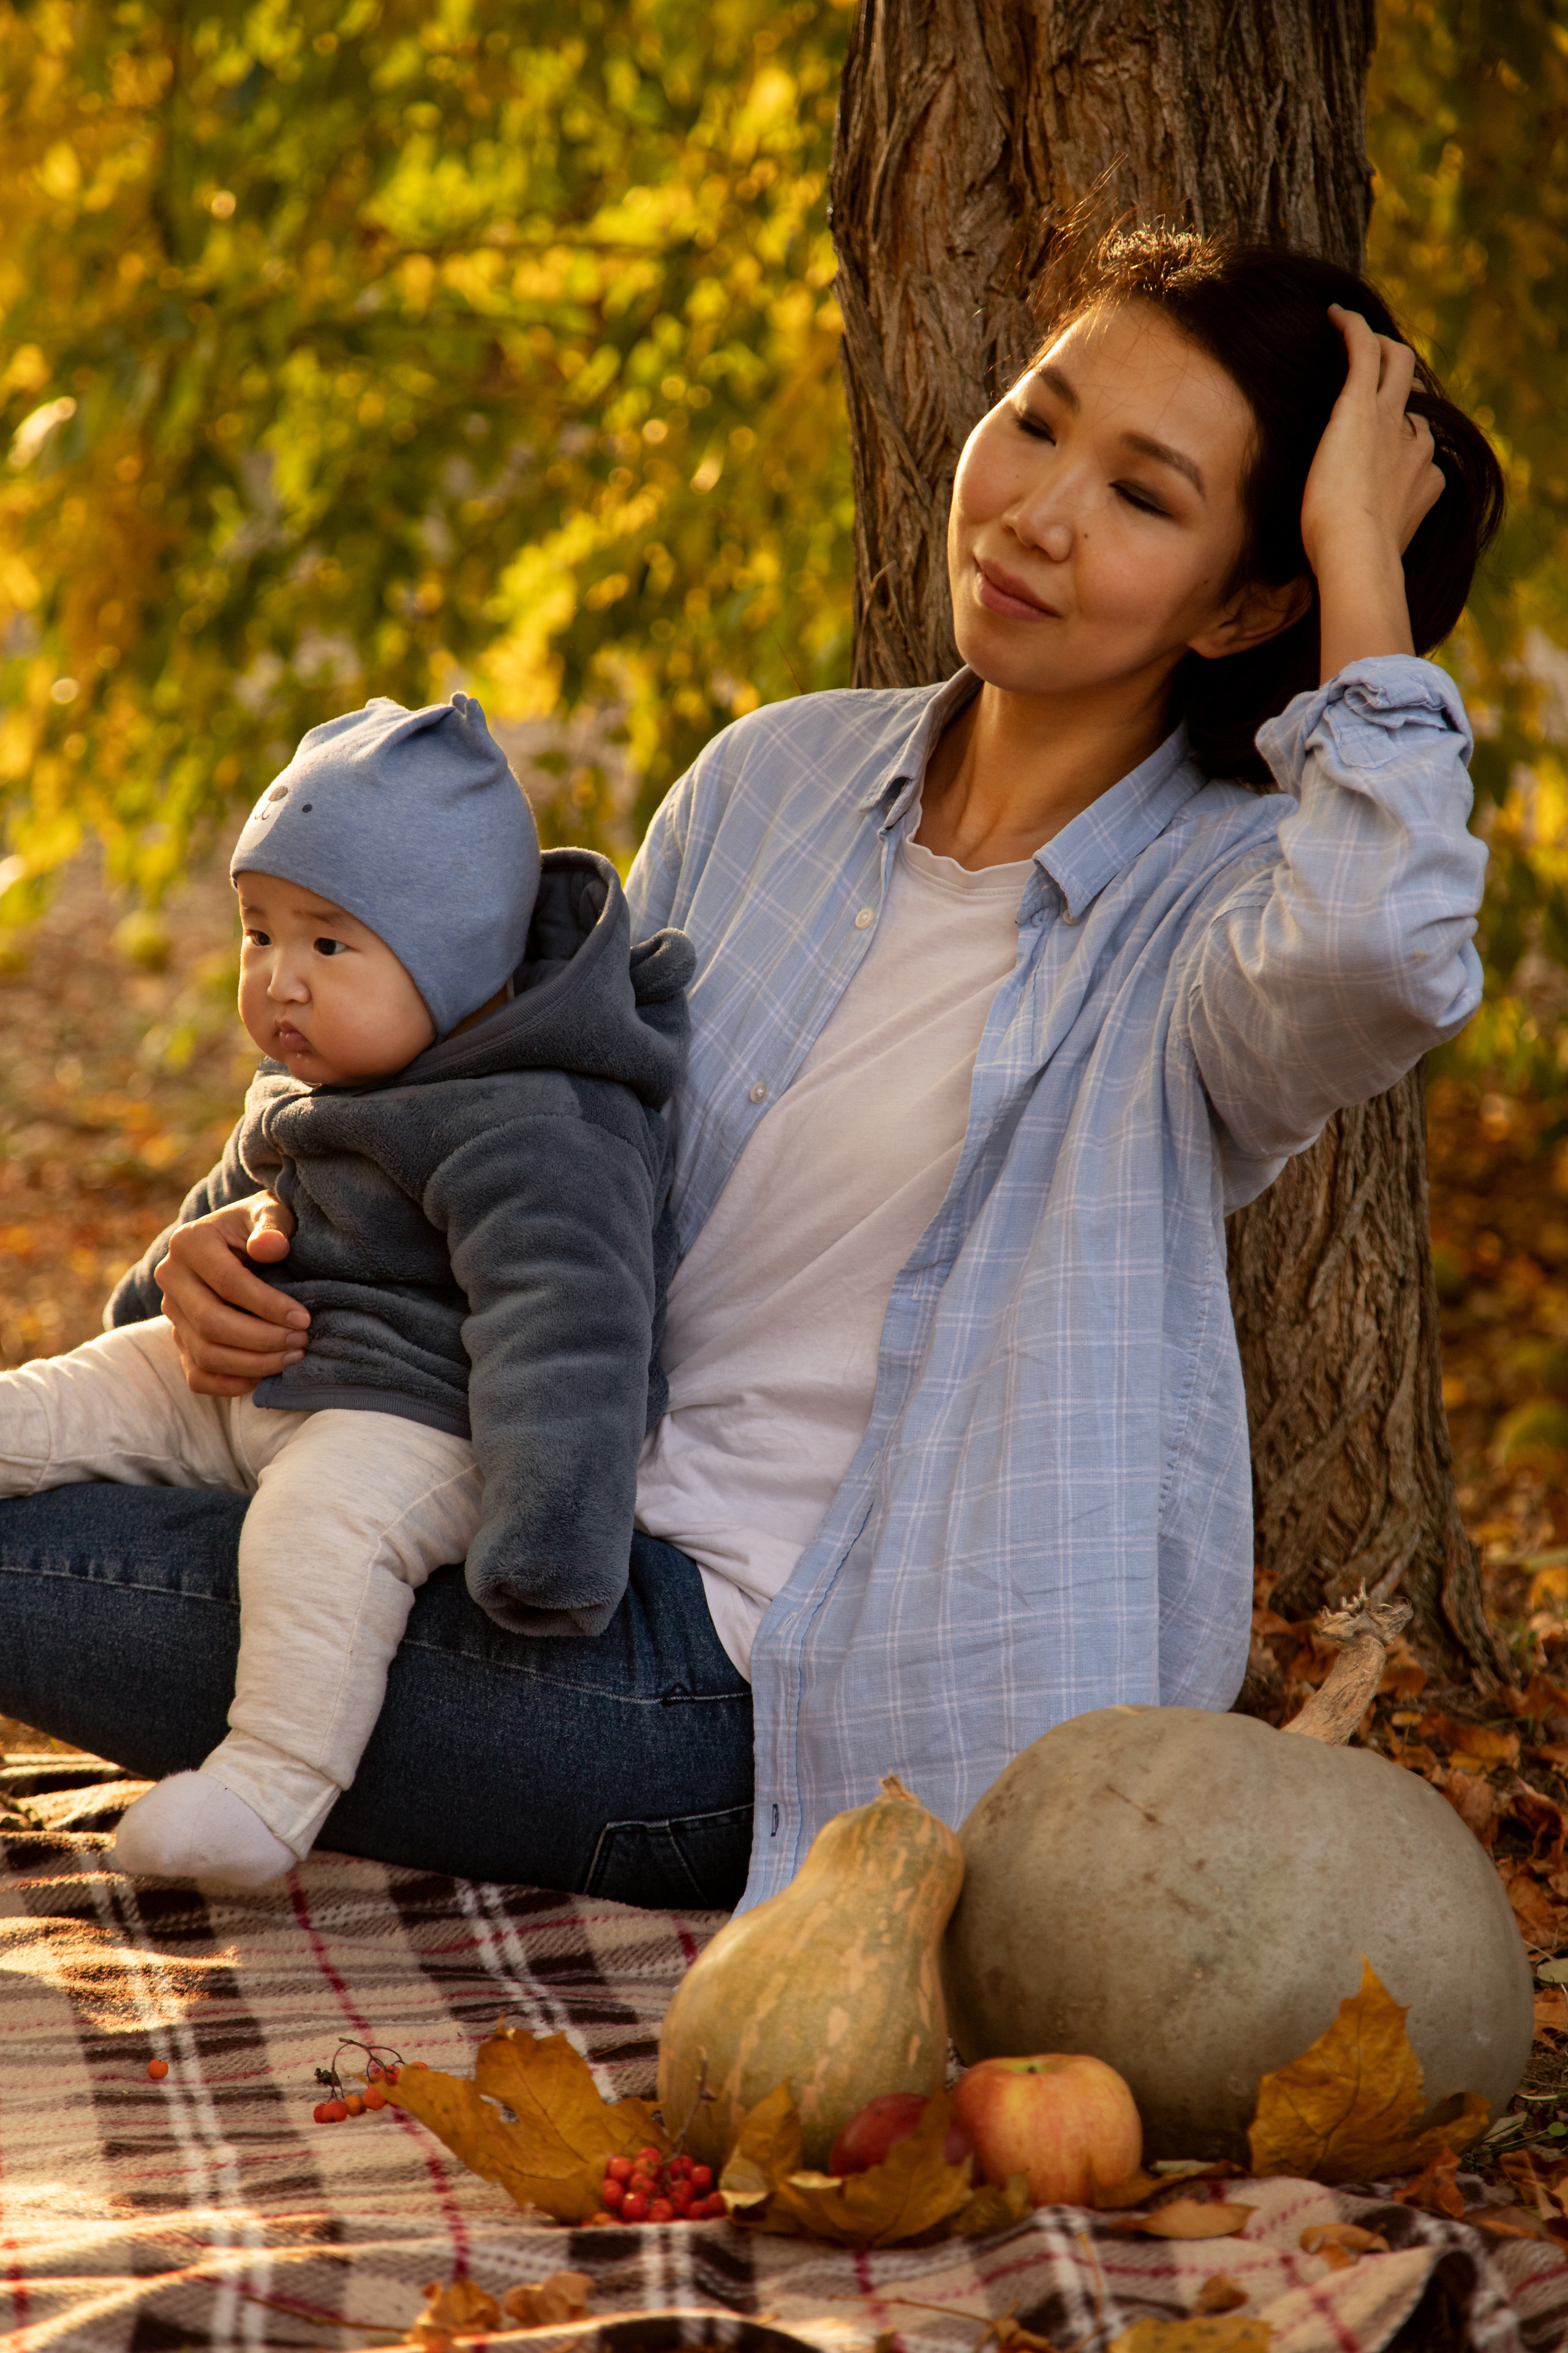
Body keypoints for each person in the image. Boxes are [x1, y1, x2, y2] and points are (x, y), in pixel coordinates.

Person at [0, 229, 1504, 1914]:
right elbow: (506, 1106)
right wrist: (235, 1259)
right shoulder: (776, 778)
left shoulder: (1224, 914)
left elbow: (1386, 951)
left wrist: (1362, 560)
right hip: (510, 1523)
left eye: (1146, 497)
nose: (1038, 511)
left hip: (754, 1698)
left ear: (1249, 598)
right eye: (1038, 418)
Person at [0, 693, 689, 1886]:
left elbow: (568, 1328)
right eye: (257, 934)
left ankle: (265, 1791)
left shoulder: (534, 1119)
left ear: (459, 959)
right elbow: (213, 1219)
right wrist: (169, 1279)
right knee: (61, 1399)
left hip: (409, 1416)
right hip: (255, 1364)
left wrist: (549, 1535)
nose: (280, 981)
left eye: (327, 943)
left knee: (320, 1537)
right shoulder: (307, 1077)